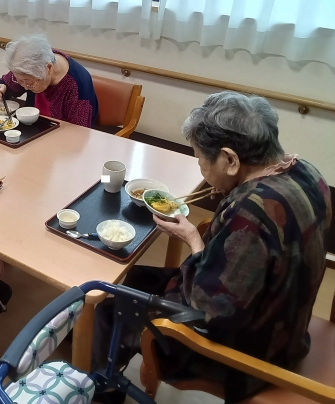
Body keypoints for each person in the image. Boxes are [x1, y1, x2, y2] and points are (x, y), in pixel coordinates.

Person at [93, 91, 331, 403]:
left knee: (109, 310)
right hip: (285, 316)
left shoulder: (251, 213)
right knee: (137, 277)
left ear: (230, 160)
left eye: (201, 160)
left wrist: (194, 240)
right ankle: (107, 351)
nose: (201, 170)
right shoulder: (307, 172)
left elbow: (209, 312)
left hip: (253, 351)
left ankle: (104, 391)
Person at [0, 34, 98, 127]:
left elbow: (79, 132)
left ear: (49, 68)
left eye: (29, 82)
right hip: (32, 128)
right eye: (20, 81)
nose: (25, 86)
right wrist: (0, 87)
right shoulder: (31, 63)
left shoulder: (78, 86)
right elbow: (8, 84)